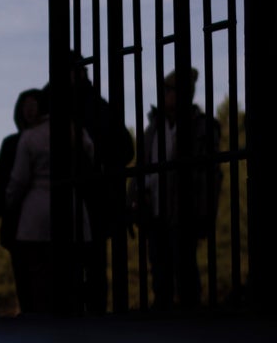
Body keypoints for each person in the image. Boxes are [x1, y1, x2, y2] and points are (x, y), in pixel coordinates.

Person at [45, 51, 131, 313]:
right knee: (67, 264)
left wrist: (96, 161)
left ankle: (92, 314)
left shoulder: (95, 105)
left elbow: (124, 149)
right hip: (67, 196)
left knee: (91, 262)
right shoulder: (51, 103)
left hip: (94, 196)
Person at [133, 67, 220, 311]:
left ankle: (189, 311)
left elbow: (207, 174)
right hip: (155, 207)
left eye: (170, 90)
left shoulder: (201, 127)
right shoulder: (154, 128)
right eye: (165, 90)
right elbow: (141, 167)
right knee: (158, 267)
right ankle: (164, 310)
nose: (166, 95)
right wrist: (136, 197)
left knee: (184, 266)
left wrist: (204, 209)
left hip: (184, 207)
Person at [6, 92, 92, 314]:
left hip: (36, 213)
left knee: (39, 278)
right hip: (72, 205)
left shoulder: (30, 137)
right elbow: (90, 158)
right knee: (72, 274)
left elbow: (19, 179)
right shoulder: (75, 131)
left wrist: (10, 205)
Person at [0, 89, 43, 311]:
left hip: (37, 212)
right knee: (22, 269)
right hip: (17, 213)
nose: (30, 110)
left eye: (34, 104)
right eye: (26, 105)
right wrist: (4, 207)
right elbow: (0, 178)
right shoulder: (12, 142)